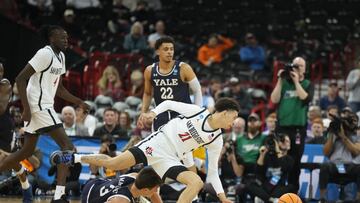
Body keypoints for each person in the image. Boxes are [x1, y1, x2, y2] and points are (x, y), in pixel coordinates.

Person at [51, 98, 240, 203]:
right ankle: (74, 157)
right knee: (113, 163)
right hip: (157, 143)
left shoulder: (216, 139)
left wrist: (223, 199)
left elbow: (213, 173)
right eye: (233, 118)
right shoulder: (198, 111)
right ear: (225, 113)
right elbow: (168, 104)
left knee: (196, 182)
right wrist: (152, 113)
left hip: (171, 158)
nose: (233, 123)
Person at [0, 25, 90, 203]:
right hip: (38, 106)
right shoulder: (44, 54)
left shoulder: (61, 57)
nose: (65, 40)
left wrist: (78, 101)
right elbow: (20, 78)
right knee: (67, 146)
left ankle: (36, 188)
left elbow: (60, 89)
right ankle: (59, 196)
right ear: (51, 39)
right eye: (61, 37)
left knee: (26, 151)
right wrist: (26, 108)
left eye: (67, 37)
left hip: (43, 106)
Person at [138, 36, 202, 131]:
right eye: (166, 49)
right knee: (159, 144)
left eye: (172, 49)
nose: (170, 52)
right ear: (157, 52)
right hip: (161, 114)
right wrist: (143, 112)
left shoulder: (184, 68)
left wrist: (197, 112)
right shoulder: (150, 70)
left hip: (182, 114)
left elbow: (197, 90)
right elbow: (147, 93)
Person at [270, 56, 314, 192]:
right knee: (279, 160)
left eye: (300, 66)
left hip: (298, 130)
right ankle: (276, 191)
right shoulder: (284, 83)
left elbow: (305, 98)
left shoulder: (307, 84)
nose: (296, 68)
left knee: (295, 162)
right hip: (282, 127)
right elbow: (274, 99)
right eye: (295, 65)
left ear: (304, 69)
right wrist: (279, 80)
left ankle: (293, 192)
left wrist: (296, 81)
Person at [319, 111, 360, 202]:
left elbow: (356, 151)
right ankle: (322, 198)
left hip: (349, 166)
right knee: (324, 166)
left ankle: (358, 198)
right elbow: (326, 152)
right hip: (335, 165)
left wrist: (343, 137)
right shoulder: (333, 135)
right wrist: (332, 134)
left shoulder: (356, 136)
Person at [245, 134, 294, 203]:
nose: (284, 143)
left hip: (279, 187)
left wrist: (277, 150)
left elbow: (284, 167)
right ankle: (270, 200)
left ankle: (263, 198)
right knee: (249, 184)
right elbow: (258, 171)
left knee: (291, 187)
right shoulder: (268, 156)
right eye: (282, 141)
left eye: (286, 141)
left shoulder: (289, 159)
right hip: (266, 186)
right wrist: (262, 154)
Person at [82, 167, 162, 203]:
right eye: (156, 188)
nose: (157, 190)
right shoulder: (121, 200)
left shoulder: (136, 176)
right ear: (145, 190)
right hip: (90, 196)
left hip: (97, 183)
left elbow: (153, 194)